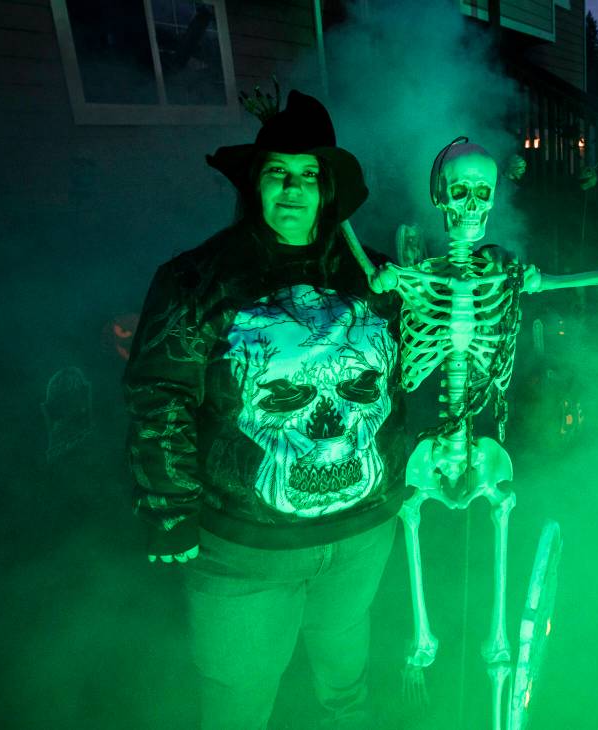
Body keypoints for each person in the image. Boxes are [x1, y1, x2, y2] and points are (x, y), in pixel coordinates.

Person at [122, 90, 406, 730]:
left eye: (309, 174)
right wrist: (168, 507)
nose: (293, 188)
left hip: (361, 537)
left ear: (328, 188)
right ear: (256, 182)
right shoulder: (197, 281)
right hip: (245, 551)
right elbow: (158, 391)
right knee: (238, 699)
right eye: (279, 171)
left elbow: (412, 374)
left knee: (346, 682)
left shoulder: (378, 277)